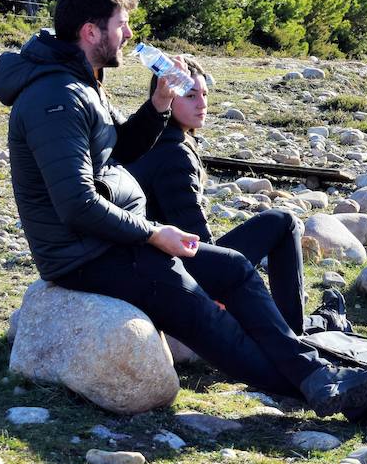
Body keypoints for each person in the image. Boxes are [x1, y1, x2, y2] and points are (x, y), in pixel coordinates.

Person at [0, 0, 367, 419]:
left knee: (233, 266)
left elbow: (118, 152)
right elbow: (76, 205)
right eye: (121, 24)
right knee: (207, 318)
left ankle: (320, 376)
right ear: (90, 31)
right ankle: (320, 386)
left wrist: (158, 105)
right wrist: (154, 234)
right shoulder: (55, 97)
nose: (129, 34)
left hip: (113, 242)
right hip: (87, 255)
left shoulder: (82, 81)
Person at [126, 57, 306, 331]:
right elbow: (195, 239)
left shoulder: (146, 137)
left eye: (204, 94)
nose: (202, 104)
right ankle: (293, 329)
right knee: (283, 222)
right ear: (169, 98)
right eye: (190, 95)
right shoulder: (174, 154)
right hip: (174, 272)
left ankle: (288, 321)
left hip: (149, 264)